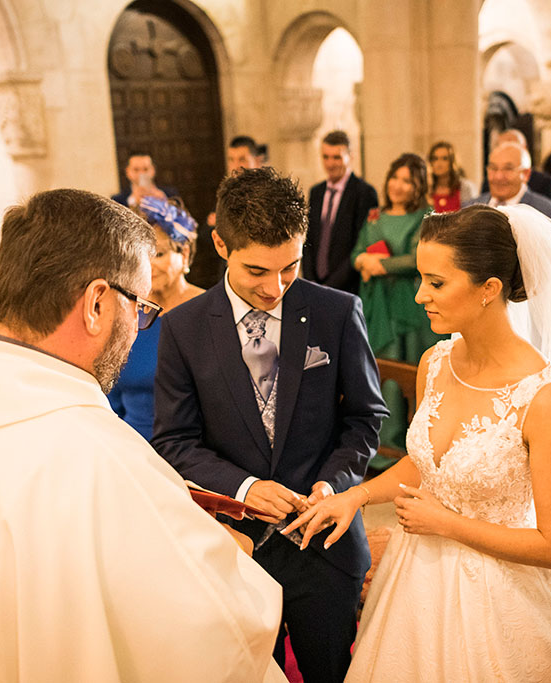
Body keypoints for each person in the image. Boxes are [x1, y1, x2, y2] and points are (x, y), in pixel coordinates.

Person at [0, 189, 287, 683]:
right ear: (98, 303)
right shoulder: (90, 457)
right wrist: (234, 556)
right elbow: (213, 631)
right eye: (140, 305)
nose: (140, 323)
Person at [287, 204, 551, 681]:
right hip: (418, 578)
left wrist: (446, 523)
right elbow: (428, 464)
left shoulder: (542, 398)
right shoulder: (435, 362)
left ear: (489, 289)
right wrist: (355, 495)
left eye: (437, 282)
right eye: (422, 277)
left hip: (501, 597)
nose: (420, 294)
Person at [152, 167, 389, 683]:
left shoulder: (337, 311)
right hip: (232, 548)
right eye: (257, 270)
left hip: (324, 549)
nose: (275, 287)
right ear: (219, 243)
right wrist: (246, 488)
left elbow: (365, 419)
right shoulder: (183, 330)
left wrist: (333, 484)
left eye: (290, 267)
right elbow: (174, 442)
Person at [352, 153, 445, 461]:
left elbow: (419, 258)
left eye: (407, 180)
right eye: (395, 177)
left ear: (418, 185)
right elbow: (356, 252)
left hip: (408, 305)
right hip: (376, 303)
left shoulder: (425, 216)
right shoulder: (374, 215)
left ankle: (409, 449)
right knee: (379, 372)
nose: (398, 185)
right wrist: (362, 260)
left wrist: (382, 265)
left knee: (409, 374)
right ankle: (381, 446)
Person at [107, 197, 204, 440]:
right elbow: (111, 398)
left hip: (197, 451)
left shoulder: (209, 310)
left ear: (184, 252)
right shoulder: (124, 312)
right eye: (142, 256)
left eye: (159, 254)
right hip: (132, 447)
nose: (148, 266)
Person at [302, 130, 379, 294]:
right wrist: (310, 281)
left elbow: (361, 243)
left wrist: (330, 285)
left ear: (351, 156)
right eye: (325, 157)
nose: (330, 163)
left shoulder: (364, 193)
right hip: (315, 284)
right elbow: (309, 239)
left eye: (337, 157)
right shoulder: (316, 192)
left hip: (348, 287)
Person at [192, 135, 266, 291]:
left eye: (242, 159)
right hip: (230, 272)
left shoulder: (269, 193)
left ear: (257, 161)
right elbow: (206, 233)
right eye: (231, 159)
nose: (236, 166)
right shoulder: (226, 193)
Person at [465, 142, 551, 231]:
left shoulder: (548, 213)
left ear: (526, 174)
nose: (498, 176)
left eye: (508, 169)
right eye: (493, 168)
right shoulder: (468, 209)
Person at [111, 153, 177, 210]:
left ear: (153, 170)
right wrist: (133, 201)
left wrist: (164, 201)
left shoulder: (170, 194)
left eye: (145, 169)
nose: (141, 174)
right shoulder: (117, 200)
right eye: (136, 170)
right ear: (127, 171)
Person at [427, 140, 479, 213]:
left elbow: (471, 215)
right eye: (435, 159)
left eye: (444, 159)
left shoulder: (465, 187)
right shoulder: (427, 189)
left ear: (452, 161)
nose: (439, 163)